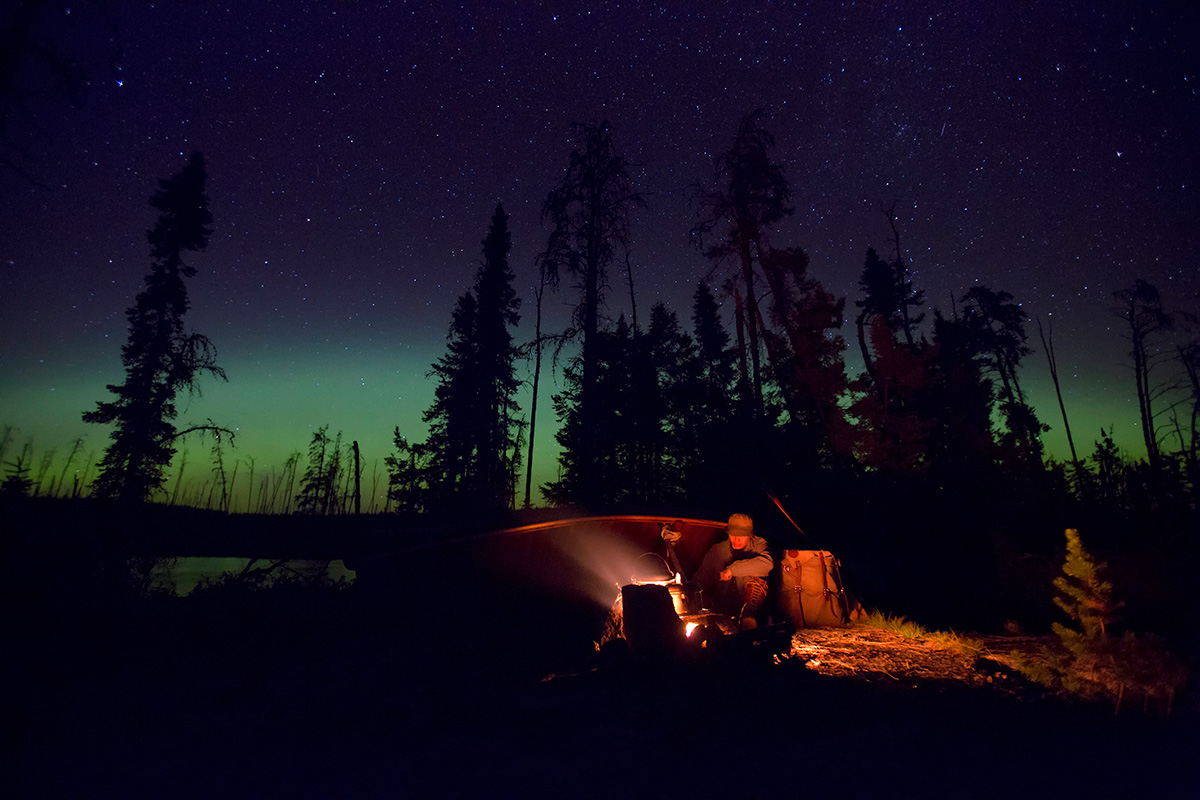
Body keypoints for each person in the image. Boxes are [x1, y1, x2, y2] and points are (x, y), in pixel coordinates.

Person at [694, 513, 773, 629]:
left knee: (758, 575)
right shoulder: (718, 550)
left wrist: (732, 570)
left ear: (749, 535)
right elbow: (701, 580)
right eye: (733, 535)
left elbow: (767, 563)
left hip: (751, 609)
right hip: (722, 606)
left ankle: (749, 618)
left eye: (741, 536)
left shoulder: (759, 545)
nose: (736, 540)